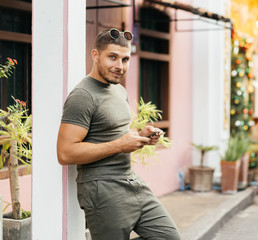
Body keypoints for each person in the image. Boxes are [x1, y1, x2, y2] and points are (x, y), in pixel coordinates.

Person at [57, 28, 181, 240]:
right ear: (95, 55)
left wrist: (141, 135)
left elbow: (113, 134)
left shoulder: (118, 90)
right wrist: (120, 145)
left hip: (130, 181)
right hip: (101, 188)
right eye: (112, 57)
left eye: (125, 59)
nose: (119, 66)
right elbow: (65, 153)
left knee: (168, 237)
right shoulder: (83, 96)